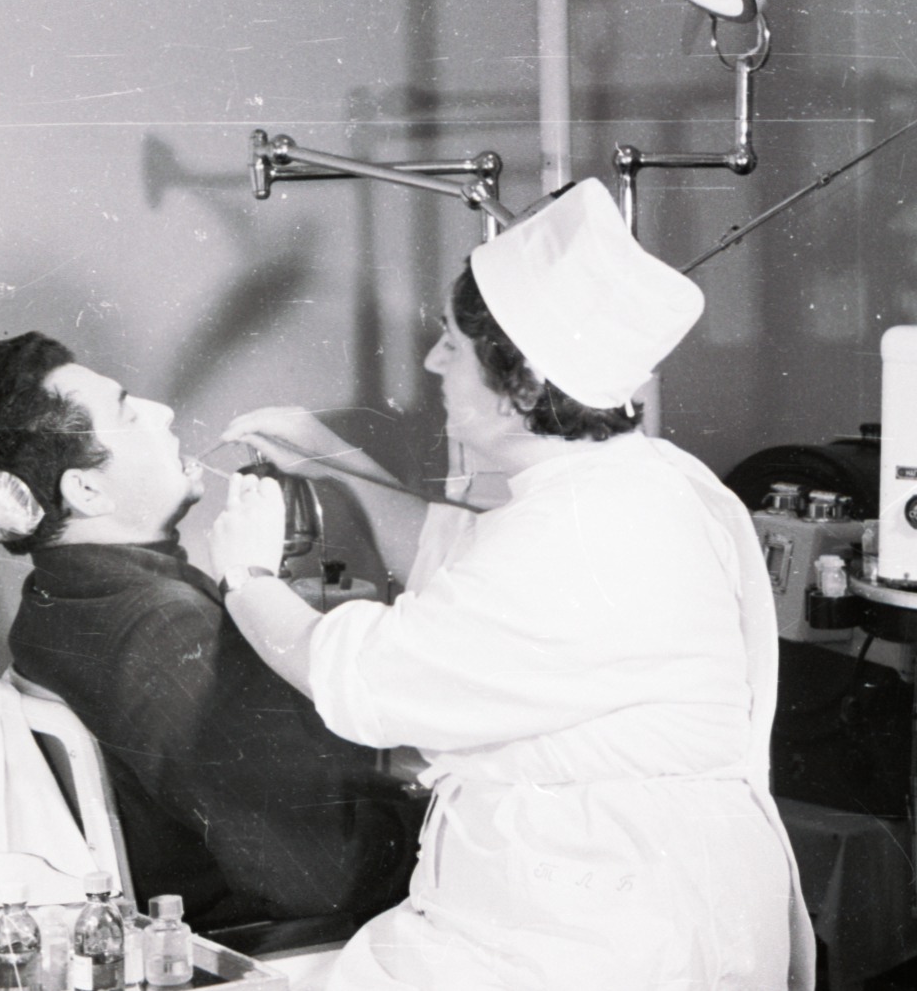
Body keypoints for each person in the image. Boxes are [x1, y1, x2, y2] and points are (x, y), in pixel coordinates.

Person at [208, 178, 817, 989]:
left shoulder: (580, 530)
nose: (433, 361)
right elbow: (462, 553)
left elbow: (367, 677)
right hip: (592, 895)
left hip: (608, 925)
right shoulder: (627, 481)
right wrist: (334, 459)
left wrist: (246, 575)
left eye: (451, 343)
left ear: (523, 384)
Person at [0, 332, 423, 937]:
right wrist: (436, 817)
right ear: (86, 490)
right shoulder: (164, 626)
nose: (163, 412)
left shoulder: (59, 597)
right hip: (276, 941)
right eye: (127, 412)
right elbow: (323, 876)